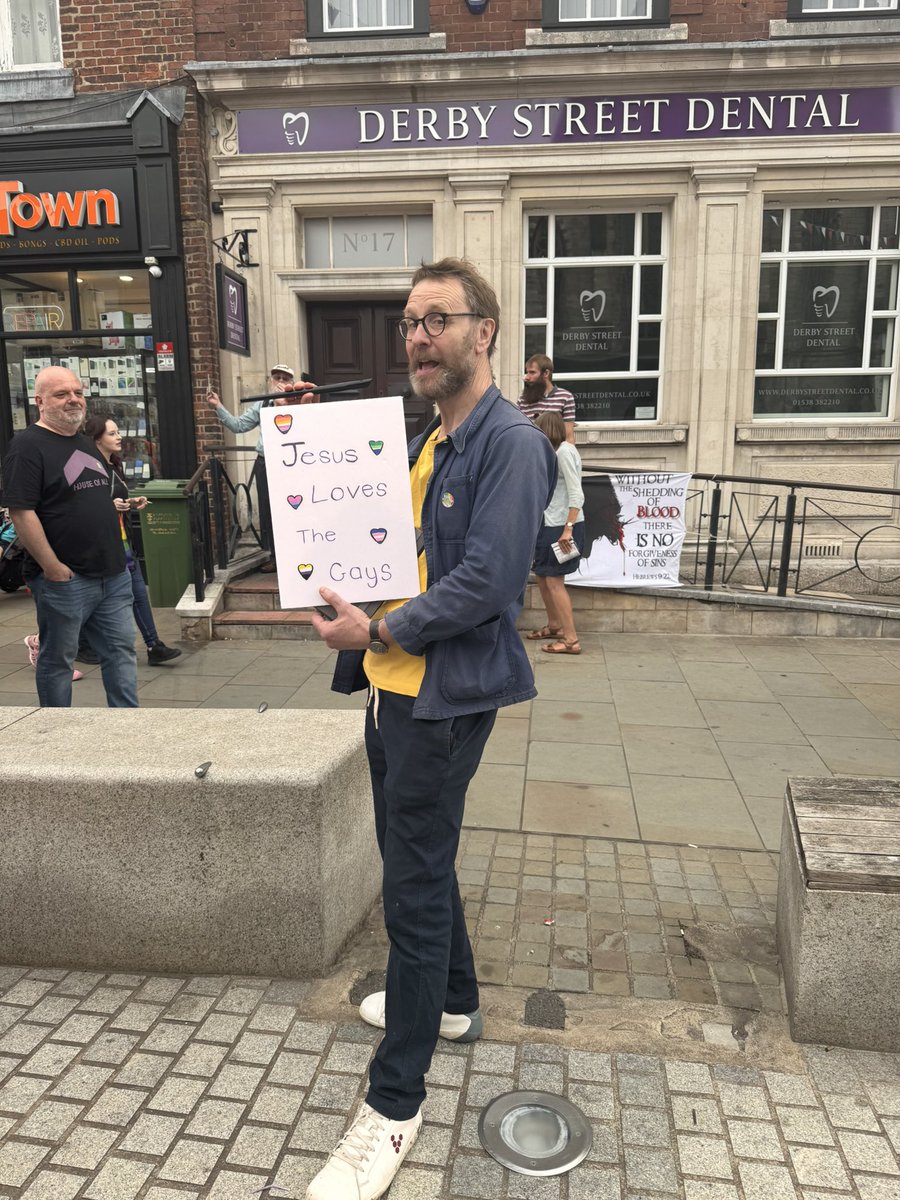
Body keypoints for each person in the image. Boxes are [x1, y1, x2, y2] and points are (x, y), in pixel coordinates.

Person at [306, 259, 556, 1200]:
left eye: (438, 320)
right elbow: (395, 554)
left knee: (408, 887)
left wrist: (379, 627)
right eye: (410, 322)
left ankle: (393, 1107)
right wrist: (338, 591)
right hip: (391, 687)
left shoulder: (510, 445)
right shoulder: (431, 440)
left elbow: (490, 584)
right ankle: (454, 1003)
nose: (418, 337)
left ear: (483, 332)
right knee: (419, 853)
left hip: (439, 700)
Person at [0, 366, 138, 708]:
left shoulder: (82, 443)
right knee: (58, 661)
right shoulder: (27, 446)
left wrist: (119, 506)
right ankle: (56, 731)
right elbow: (21, 512)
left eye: (77, 392)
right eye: (62, 394)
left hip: (112, 573)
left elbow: (85, 496)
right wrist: (53, 568)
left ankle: (131, 727)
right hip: (66, 579)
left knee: (121, 653)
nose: (73, 400)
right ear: (40, 401)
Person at [83, 415, 182, 666]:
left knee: (139, 593)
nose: (119, 437)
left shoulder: (114, 465)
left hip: (124, 542)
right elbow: (81, 506)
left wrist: (131, 503)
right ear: (96, 439)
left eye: (118, 432)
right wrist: (109, 505)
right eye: (112, 433)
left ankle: (153, 646)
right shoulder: (87, 469)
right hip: (102, 546)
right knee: (87, 604)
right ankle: (46, 640)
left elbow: (115, 502)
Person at [206, 365, 317, 572]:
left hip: (292, 464)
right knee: (268, 511)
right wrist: (217, 405)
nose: (281, 380)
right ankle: (276, 557)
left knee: (296, 510)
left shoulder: (297, 401)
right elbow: (238, 426)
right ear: (270, 380)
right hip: (266, 463)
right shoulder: (262, 404)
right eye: (277, 377)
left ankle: (302, 555)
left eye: (286, 377)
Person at [526, 410, 585, 656]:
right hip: (551, 524)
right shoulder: (557, 452)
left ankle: (571, 640)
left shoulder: (563, 453)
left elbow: (576, 494)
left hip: (561, 526)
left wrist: (567, 529)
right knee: (542, 575)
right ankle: (555, 626)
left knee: (554, 581)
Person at [517, 354, 576, 444]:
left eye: (532, 372)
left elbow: (569, 437)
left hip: (556, 454)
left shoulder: (565, 397)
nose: (527, 377)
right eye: (527, 372)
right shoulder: (522, 400)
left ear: (546, 373)